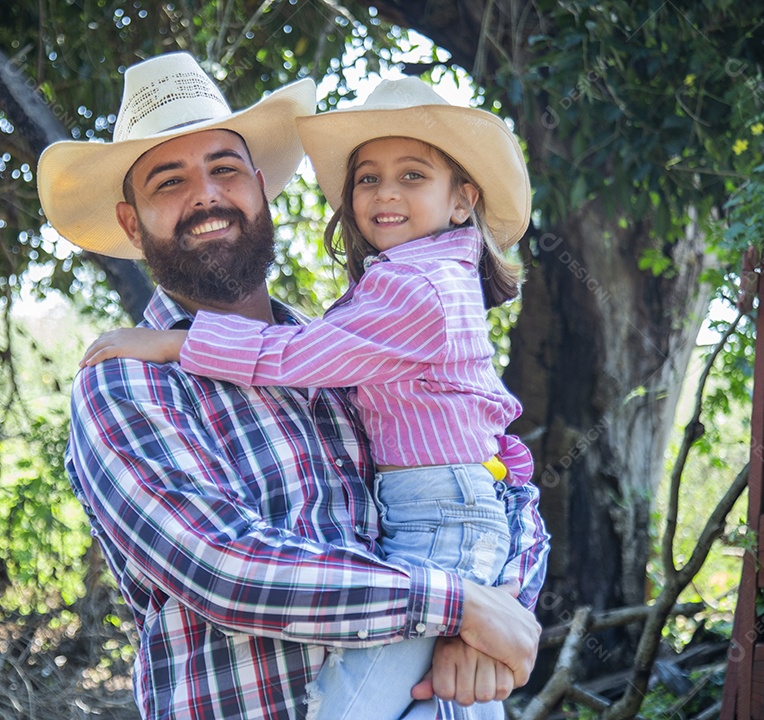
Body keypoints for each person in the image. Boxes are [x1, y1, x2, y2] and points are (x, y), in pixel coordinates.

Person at [38, 52, 544, 720]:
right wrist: (459, 606)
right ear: (132, 224)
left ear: (259, 188)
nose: (205, 195)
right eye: (170, 182)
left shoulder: (341, 347)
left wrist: (501, 606)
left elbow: (494, 474)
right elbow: (223, 568)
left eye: (225, 169)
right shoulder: (127, 380)